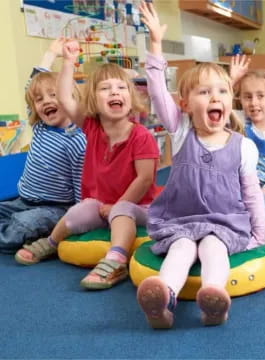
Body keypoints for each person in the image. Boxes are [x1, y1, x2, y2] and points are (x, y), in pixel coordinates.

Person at [137, 0, 265, 328]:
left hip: (223, 223)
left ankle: (213, 298)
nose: (215, 98)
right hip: (181, 220)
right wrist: (154, 45)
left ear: (230, 101)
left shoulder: (244, 147)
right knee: (181, 249)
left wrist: (258, 235)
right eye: (204, 93)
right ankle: (163, 300)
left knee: (213, 248)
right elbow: (157, 93)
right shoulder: (180, 131)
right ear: (184, 105)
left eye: (222, 92)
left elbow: (252, 194)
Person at [14, 39, 159, 290]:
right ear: (93, 100)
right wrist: (68, 62)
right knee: (80, 209)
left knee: (121, 211)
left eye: (120, 88)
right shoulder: (91, 127)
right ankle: (51, 242)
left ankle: (116, 260)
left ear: (130, 96)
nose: (114, 92)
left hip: (138, 205)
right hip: (101, 205)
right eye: (105, 89)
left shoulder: (141, 136)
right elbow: (64, 97)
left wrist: (117, 205)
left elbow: (144, 179)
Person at [0, 37, 86, 254]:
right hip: (22, 200)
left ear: (69, 99)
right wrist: (50, 54)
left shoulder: (76, 139)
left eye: (54, 95)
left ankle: (15, 230)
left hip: (53, 208)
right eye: (40, 100)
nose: (46, 101)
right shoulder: (40, 125)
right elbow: (31, 87)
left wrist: (76, 221)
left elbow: (80, 184)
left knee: (21, 228)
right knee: (16, 217)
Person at [229, 55, 265, 231]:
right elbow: (220, 102)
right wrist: (232, 80)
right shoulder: (239, 122)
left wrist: (262, 194)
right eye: (247, 97)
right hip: (240, 192)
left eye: (260, 96)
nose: (254, 103)